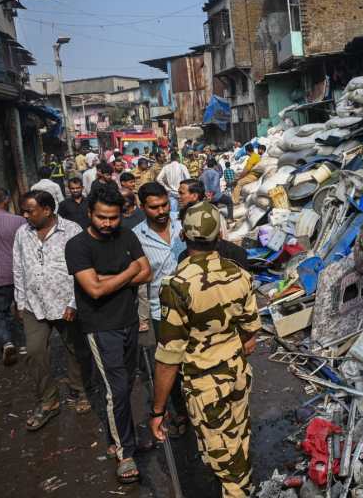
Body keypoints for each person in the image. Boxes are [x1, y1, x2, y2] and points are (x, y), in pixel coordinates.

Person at [150, 201, 260, 498]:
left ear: (183, 236)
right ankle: (241, 484)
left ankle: (239, 491)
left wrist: (158, 410)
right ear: (218, 235)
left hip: (204, 384)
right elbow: (251, 330)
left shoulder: (177, 286)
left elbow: (169, 357)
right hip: (237, 373)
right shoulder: (239, 275)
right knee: (238, 437)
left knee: (219, 452)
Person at [65, 186, 151, 484]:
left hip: (128, 320)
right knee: (116, 389)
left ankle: (120, 437)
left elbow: (147, 272)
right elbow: (94, 289)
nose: (107, 223)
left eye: (113, 218)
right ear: (89, 213)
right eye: (101, 217)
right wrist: (129, 272)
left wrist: (109, 278)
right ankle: (125, 453)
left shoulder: (127, 235)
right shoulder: (77, 246)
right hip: (101, 326)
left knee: (126, 385)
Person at [13, 190, 91, 431]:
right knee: (35, 352)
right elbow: (18, 266)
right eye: (23, 210)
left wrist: (73, 302)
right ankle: (49, 400)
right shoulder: (22, 233)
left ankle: (80, 391)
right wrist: (20, 300)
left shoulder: (72, 230)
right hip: (34, 304)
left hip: (66, 303)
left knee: (74, 348)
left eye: (29, 210)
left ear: (47, 210)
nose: (24, 215)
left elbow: (82, 269)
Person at [132, 183, 189, 428]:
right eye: (154, 207)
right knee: (169, 363)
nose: (162, 211)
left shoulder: (183, 223)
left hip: (193, 304)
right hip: (161, 309)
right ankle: (179, 412)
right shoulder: (136, 235)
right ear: (142, 207)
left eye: (165, 204)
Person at [0, 187, 25, 366]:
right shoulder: (19, 221)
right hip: (18, 273)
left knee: (0, 312)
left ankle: (7, 341)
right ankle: (25, 342)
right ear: (6, 200)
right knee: (23, 308)